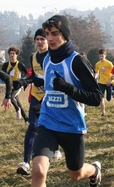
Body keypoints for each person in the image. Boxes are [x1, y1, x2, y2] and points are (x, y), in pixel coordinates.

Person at [31, 15, 102, 187]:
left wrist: (68, 88)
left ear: (65, 34)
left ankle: (94, 170)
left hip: (71, 126)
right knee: (39, 171)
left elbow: (96, 98)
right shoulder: (46, 58)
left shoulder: (77, 61)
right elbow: (49, 87)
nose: (49, 38)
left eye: (55, 33)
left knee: (75, 175)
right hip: (48, 122)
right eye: (47, 33)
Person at [16, 28, 48, 176]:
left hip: (51, 96)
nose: (40, 42)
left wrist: (31, 80)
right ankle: (26, 162)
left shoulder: (53, 56)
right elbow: (35, 76)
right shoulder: (33, 57)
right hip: (36, 94)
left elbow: (48, 78)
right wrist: (25, 81)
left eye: (42, 39)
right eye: (37, 39)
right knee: (33, 125)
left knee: (51, 126)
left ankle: (55, 149)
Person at [2, 46, 28, 122]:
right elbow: (2, 74)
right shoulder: (6, 65)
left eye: (14, 53)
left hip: (18, 85)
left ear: (17, 55)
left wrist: (23, 81)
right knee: (18, 102)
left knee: (11, 97)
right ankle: (26, 119)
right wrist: (7, 73)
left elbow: (27, 73)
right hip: (9, 85)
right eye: (10, 53)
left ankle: (17, 109)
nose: (12, 55)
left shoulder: (20, 64)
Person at [95, 49, 114, 116]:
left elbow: (113, 73)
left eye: (102, 56)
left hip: (108, 83)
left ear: (105, 56)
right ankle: (103, 112)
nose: (101, 57)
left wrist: (111, 81)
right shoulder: (97, 64)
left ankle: (112, 92)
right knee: (101, 98)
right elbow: (97, 72)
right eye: (100, 56)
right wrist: (95, 77)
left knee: (108, 99)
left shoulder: (109, 63)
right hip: (101, 83)